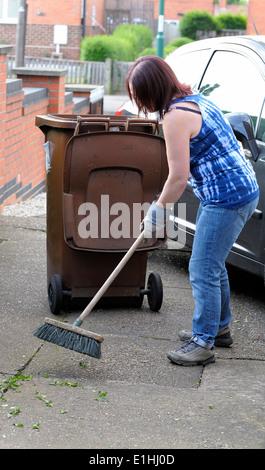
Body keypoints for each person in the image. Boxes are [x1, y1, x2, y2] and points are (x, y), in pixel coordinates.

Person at [126, 55, 259, 366]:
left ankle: (203, 342)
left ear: (152, 89)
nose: (139, 103)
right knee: (213, 262)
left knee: (201, 268)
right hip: (239, 189)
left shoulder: (174, 117)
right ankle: (221, 328)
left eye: (139, 95)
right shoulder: (195, 97)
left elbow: (178, 177)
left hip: (227, 197)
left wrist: (156, 211)